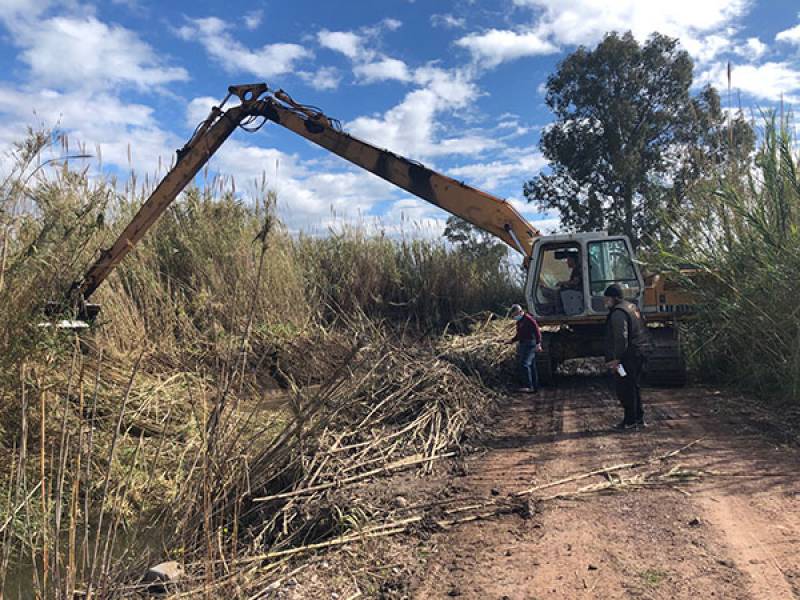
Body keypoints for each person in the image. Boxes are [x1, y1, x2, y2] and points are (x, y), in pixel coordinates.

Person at [604, 284, 649, 430]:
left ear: (614, 298)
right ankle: (638, 418)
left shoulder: (618, 313)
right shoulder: (631, 307)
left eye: (607, 298)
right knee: (634, 386)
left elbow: (621, 337)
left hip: (628, 356)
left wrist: (617, 358)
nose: (605, 301)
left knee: (625, 388)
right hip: (640, 351)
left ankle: (630, 420)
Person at [507, 304, 543, 393]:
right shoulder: (519, 322)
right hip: (523, 343)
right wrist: (511, 340)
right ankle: (535, 387)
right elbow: (519, 334)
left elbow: (537, 331)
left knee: (524, 364)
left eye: (515, 315)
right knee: (532, 365)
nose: (514, 317)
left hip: (530, 344)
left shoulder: (528, 319)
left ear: (519, 312)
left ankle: (528, 385)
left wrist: (538, 343)